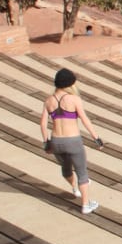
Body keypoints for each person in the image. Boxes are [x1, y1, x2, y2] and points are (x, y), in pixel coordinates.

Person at [40, 68, 104, 214]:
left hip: (56, 141)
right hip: (73, 141)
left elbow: (43, 124)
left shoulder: (48, 101)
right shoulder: (74, 99)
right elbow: (85, 119)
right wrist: (96, 138)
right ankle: (86, 204)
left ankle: (75, 188)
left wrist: (46, 143)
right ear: (69, 83)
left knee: (66, 168)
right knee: (82, 173)